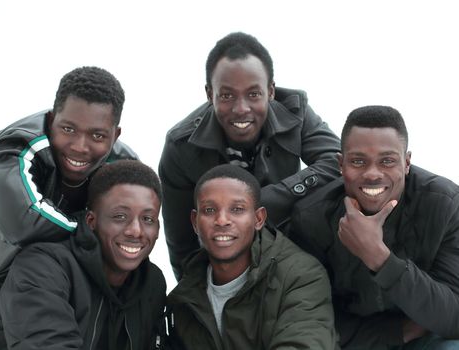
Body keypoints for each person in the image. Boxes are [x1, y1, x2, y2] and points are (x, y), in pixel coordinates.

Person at [159, 32, 341, 279]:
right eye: (227, 96)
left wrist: (267, 200)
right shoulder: (180, 145)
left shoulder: (296, 112)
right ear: (209, 93)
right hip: (226, 262)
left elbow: (338, 161)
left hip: (291, 250)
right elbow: (182, 245)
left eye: (254, 94)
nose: (241, 108)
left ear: (271, 91)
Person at [290, 105, 459, 349]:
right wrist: (397, 333)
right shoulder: (310, 219)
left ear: (407, 162)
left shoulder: (444, 204)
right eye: (358, 161)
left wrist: (378, 257)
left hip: (426, 340)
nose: (372, 174)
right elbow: (309, 319)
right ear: (340, 164)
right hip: (358, 342)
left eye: (387, 161)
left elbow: (454, 318)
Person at [0, 66, 137, 301]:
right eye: (68, 129)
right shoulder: (15, 146)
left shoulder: (124, 168)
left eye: (97, 136)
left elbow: (128, 237)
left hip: (35, 284)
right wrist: (90, 228)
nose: (80, 146)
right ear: (51, 120)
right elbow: (20, 224)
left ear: (115, 135)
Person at [0, 160, 167, 349]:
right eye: (120, 216)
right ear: (91, 220)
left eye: (148, 219)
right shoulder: (41, 267)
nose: (136, 231)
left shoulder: (151, 283)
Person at [166, 164, 336, 349]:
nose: (222, 220)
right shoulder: (184, 296)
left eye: (237, 209)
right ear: (195, 222)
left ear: (258, 219)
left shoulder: (301, 275)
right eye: (209, 210)